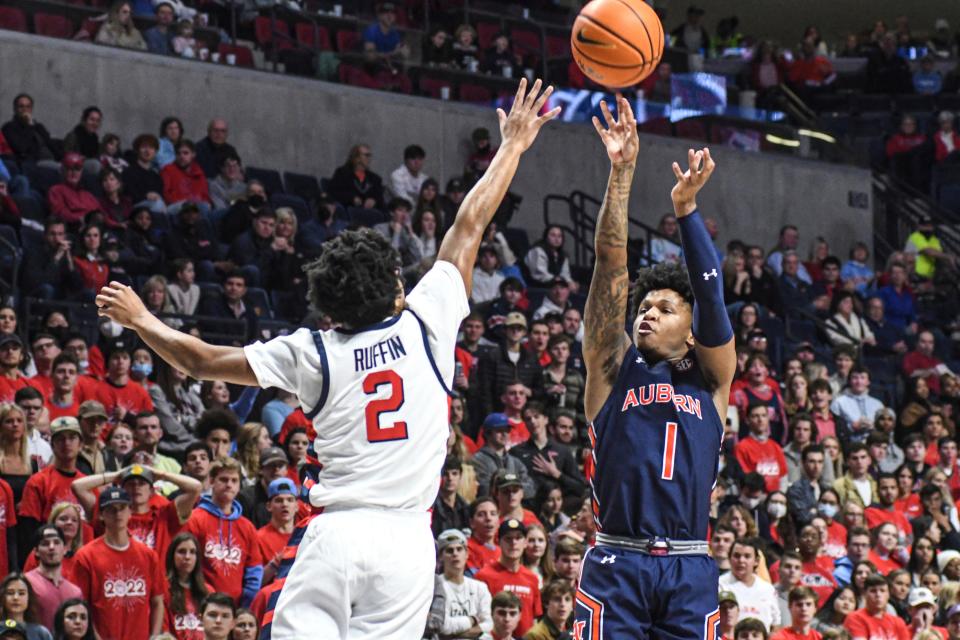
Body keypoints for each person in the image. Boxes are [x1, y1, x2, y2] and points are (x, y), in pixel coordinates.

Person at [96, 78, 559, 638]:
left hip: (337, 533)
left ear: (332, 305)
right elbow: (468, 225)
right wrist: (512, 145)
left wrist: (142, 319)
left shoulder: (313, 351)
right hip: (409, 544)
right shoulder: (426, 320)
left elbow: (200, 360)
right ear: (392, 289)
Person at [575, 96, 735, 637]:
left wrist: (686, 211)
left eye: (665, 309)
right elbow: (611, 261)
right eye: (644, 308)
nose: (647, 314)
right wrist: (621, 172)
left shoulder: (712, 379)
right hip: (617, 561)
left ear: (690, 331)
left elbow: (712, 298)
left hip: (690, 564)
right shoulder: (613, 369)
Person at [72, 486, 164, 639]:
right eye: (111, 509)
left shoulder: (148, 555)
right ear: (101, 515)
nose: (118, 514)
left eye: (122, 508)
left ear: (130, 512)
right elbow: (81, 606)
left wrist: (154, 637)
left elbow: (157, 602)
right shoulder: (86, 556)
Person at [182, 457, 261, 607]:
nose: (229, 485)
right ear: (211, 481)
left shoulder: (247, 527)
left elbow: (254, 573)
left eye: (234, 480)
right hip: (199, 604)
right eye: (224, 479)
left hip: (235, 609)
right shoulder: (195, 519)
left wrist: (245, 607)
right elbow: (185, 566)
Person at [476, 519, 542, 637]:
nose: (513, 543)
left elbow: (535, 619)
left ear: (525, 542)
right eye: (508, 538)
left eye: (518, 538)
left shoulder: (532, 578)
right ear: (498, 542)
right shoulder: (483, 576)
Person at [435, 529, 493, 638]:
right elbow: (443, 626)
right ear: (441, 557)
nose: (455, 554)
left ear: (466, 554)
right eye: (449, 550)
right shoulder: (436, 586)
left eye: (459, 549)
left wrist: (457, 635)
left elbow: (489, 624)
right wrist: (472, 619)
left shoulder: (480, 588)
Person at [23, 525, 82, 632]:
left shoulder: (75, 592)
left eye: (56, 542)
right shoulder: (25, 583)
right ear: (36, 551)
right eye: (45, 543)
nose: (51, 547)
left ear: (64, 549)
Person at [163, 532, 209, 640]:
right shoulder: (163, 589)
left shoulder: (208, 591)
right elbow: (163, 631)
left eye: (192, 552)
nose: (187, 557)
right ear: (171, 555)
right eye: (181, 552)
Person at [255, 478, 297, 585]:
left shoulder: (304, 536)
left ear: (297, 506)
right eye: (279, 500)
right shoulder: (258, 538)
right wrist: (275, 564)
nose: (285, 504)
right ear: (269, 506)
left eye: (290, 500)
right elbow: (255, 582)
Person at [843, 574, 910, 640]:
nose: (878, 595)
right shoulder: (854, 618)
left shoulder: (898, 622)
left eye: (882, 591)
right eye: (873, 591)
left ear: (888, 594)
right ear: (865, 594)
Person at [0, 574, 53, 640]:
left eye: (21, 593)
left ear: (29, 597)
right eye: (10, 593)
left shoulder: (41, 633)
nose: (16, 598)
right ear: (2, 597)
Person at [431, 456, 471, 537]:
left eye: (454, 473)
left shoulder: (465, 508)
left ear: (460, 476)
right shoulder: (432, 506)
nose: (450, 478)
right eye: (445, 474)